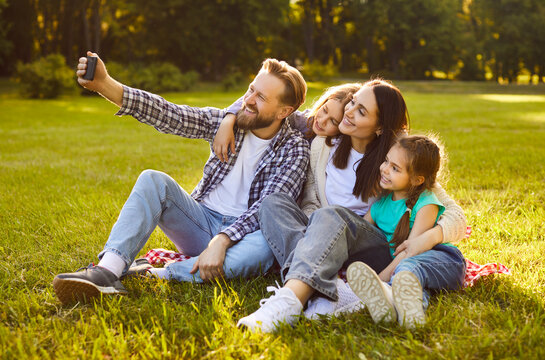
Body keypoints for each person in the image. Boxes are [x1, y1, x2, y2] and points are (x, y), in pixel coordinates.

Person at [52, 52, 310, 305]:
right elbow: (170, 114)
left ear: (283, 111)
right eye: (251, 89)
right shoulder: (228, 121)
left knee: (264, 249)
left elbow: (264, 209)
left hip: (244, 238)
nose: (249, 100)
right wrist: (105, 85)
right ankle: (108, 271)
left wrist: (222, 241)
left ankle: (156, 273)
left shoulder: (294, 149)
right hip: (200, 222)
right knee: (153, 180)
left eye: (261, 97)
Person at [237, 79, 467, 332]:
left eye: (361, 111)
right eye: (353, 102)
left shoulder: (396, 157)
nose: (349, 111)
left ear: (379, 126)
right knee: (273, 202)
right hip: (324, 235)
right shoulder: (322, 146)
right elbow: (311, 200)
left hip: (371, 244)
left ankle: (288, 302)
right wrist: (228, 119)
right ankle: (328, 289)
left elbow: (454, 214)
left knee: (333, 215)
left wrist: (427, 238)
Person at [346, 135, 465, 328]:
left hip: (443, 261)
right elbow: (360, 236)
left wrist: (380, 279)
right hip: (405, 270)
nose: (384, 169)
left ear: (417, 180)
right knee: (407, 280)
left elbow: (412, 250)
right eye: (386, 161)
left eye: (395, 168)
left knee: (407, 270)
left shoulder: (426, 203)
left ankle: (387, 291)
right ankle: (402, 311)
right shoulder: (379, 207)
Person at [212, 83, 361, 162]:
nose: (322, 120)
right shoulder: (301, 121)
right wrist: (228, 119)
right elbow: (253, 103)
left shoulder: (338, 146)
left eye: (333, 121)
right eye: (325, 110)